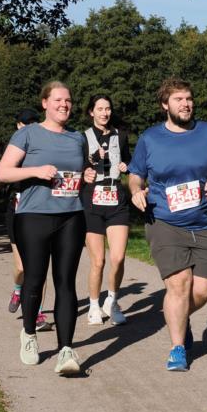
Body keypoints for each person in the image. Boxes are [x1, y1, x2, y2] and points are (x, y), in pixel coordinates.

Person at [128, 78, 207, 371]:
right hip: (164, 220)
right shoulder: (150, 138)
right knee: (179, 284)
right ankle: (177, 349)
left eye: (189, 98)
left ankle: (178, 316)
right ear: (165, 105)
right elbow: (136, 173)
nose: (186, 104)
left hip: (204, 220)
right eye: (178, 100)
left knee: (202, 291)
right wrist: (136, 191)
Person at [0, 81, 87, 375]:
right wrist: (36, 170)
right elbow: (3, 173)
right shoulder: (28, 133)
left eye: (69, 101)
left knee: (66, 282)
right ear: (45, 103)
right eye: (59, 100)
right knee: (34, 279)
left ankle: (65, 350)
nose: (65, 105)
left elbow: (76, 174)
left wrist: (86, 175)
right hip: (34, 215)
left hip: (71, 215)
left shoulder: (77, 138)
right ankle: (29, 335)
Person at [80, 95, 132, 326]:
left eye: (108, 108)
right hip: (92, 201)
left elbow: (131, 162)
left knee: (118, 258)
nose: (104, 113)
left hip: (116, 200)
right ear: (91, 112)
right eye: (99, 109)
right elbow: (76, 166)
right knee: (98, 261)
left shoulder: (121, 136)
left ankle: (111, 301)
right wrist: (85, 172)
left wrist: (127, 166)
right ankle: (93, 305)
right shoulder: (82, 138)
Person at [5, 108, 52, 332]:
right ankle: (17, 289)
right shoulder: (14, 149)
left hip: (38, 213)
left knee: (39, 267)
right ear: (18, 126)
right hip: (16, 212)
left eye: (34, 123)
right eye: (26, 123)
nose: (30, 127)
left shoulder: (42, 148)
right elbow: (3, 175)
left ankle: (38, 313)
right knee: (23, 268)